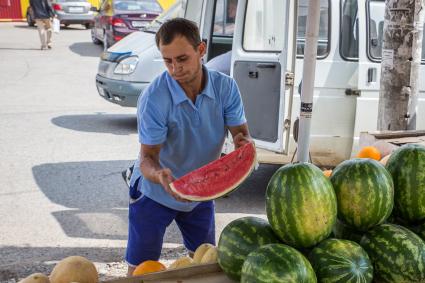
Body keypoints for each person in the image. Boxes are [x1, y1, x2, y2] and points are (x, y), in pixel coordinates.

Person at [125, 18, 252, 276]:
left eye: (182, 59)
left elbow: (242, 136)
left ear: (201, 50)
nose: (175, 69)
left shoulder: (225, 88)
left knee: (206, 266)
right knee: (140, 270)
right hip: (154, 193)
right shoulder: (154, 98)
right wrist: (160, 175)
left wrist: (242, 144)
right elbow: (147, 158)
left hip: (201, 192)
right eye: (167, 61)